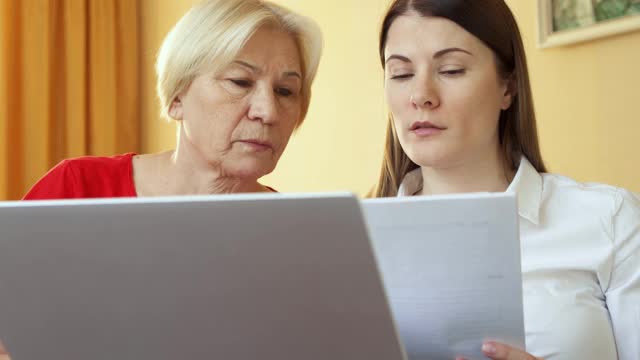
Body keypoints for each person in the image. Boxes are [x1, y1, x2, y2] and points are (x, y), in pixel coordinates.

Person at [372, 0, 639, 359]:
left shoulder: (611, 220)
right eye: (401, 74)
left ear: (508, 87)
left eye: (450, 70)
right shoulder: (353, 243)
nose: (421, 96)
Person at [23, 0, 322, 199]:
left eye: (285, 91)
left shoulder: (297, 231)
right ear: (177, 97)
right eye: (240, 82)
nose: (268, 112)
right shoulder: (77, 189)